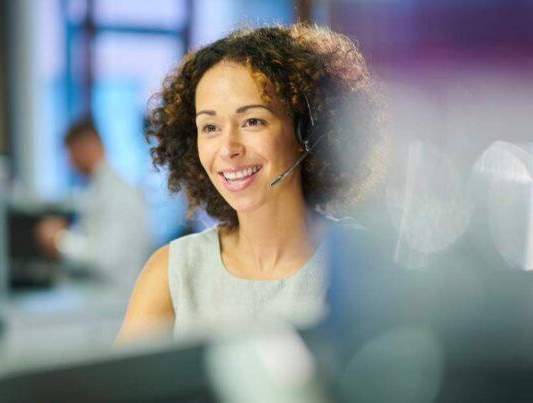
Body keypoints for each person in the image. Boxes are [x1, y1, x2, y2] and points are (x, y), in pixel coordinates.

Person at [116, 24, 386, 343]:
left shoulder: (368, 267)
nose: (228, 148)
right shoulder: (171, 274)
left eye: (252, 121)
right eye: (210, 127)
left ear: (307, 131)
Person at [35, 118, 152, 292]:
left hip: (115, 299)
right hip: (104, 297)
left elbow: (107, 259)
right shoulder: (96, 190)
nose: (70, 162)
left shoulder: (117, 193)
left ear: (87, 146)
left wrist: (60, 240)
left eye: (71, 153)